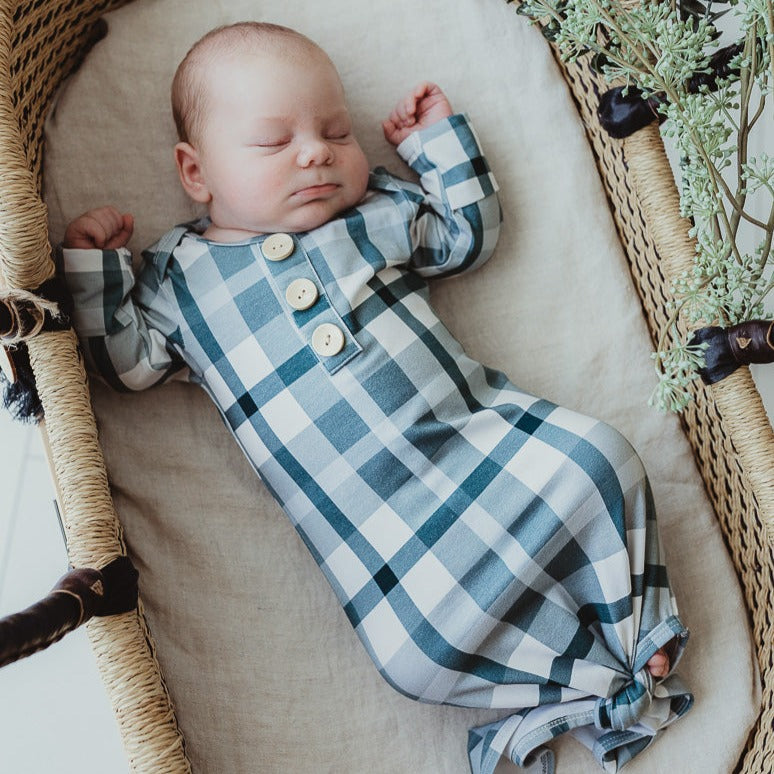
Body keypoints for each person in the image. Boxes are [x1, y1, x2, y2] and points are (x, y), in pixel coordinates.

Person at [59, 21, 691, 774]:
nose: (317, 151)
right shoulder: (176, 280)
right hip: (385, 543)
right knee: (419, 657)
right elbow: (124, 364)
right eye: (274, 141)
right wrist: (94, 273)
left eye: (336, 131)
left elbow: (467, 234)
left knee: (599, 460)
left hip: (486, 446)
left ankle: (641, 632)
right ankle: (585, 683)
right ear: (197, 173)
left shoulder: (373, 214)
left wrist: (437, 144)